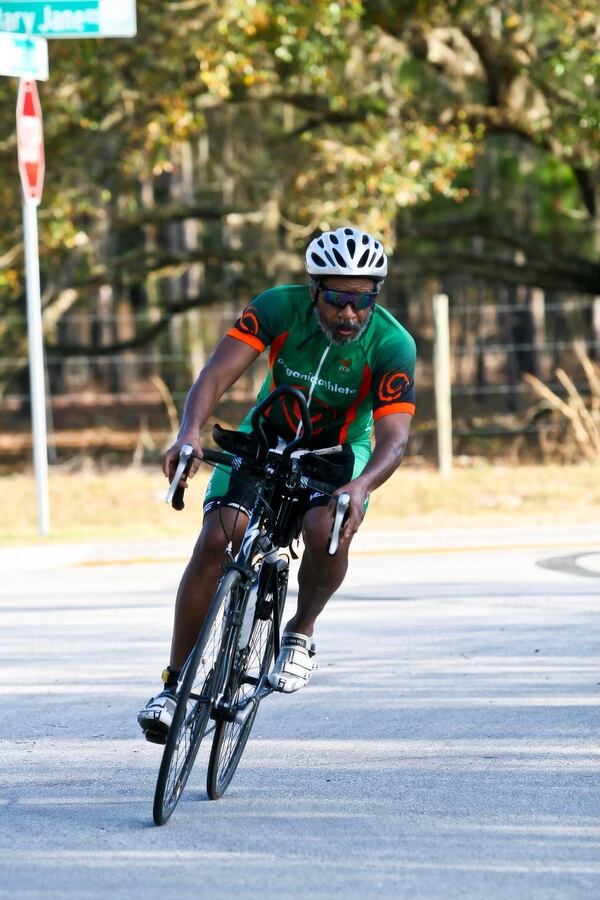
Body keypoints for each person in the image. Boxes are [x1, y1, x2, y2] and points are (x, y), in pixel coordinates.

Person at [138, 226, 416, 743]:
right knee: (218, 539)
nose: (349, 313)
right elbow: (216, 375)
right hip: (265, 434)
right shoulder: (275, 308)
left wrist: (360, 488)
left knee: (327, 524)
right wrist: (188, 434)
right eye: (336, 299)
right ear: (315, 291)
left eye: (361, 300)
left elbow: (394, 439)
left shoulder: (394, 343)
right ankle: (174, 688)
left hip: (338, 453)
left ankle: (301, 631)